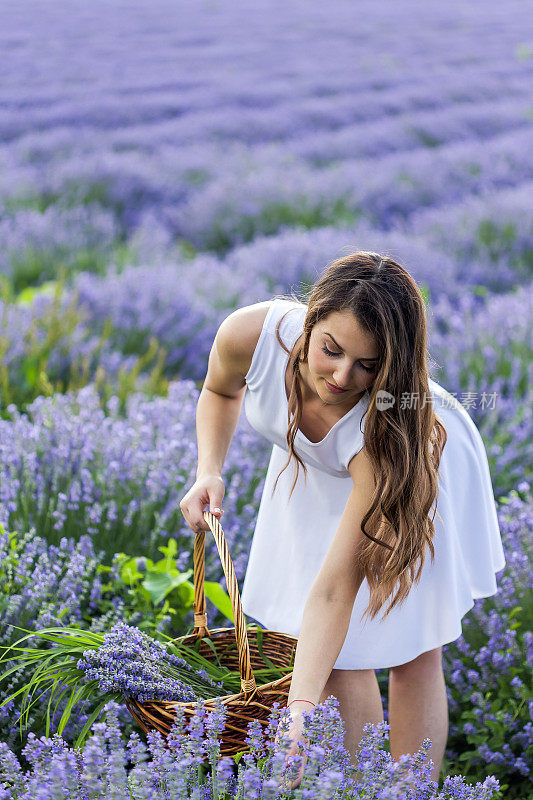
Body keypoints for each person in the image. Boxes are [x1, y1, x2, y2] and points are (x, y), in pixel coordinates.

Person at [179, 251, 506, 788]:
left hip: (412, 460)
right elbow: (219, 391)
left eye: (367, 365)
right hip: (312, 468)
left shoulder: (384, 435)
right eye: (330, 349)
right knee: (335, 656)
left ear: (390, 365)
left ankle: (406, 791)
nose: (340, 375)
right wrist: (207, 470)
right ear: (309, 321)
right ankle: (367, 787)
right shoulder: (250, 335)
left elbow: (336, 592)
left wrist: (299, 710)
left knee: (412, 642)